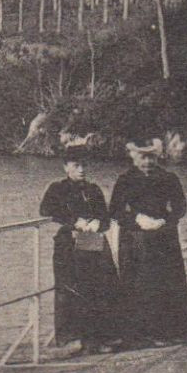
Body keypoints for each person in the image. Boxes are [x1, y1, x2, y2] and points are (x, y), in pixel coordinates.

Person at [109, 138, 187, 347]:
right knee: (139, 283)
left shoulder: (168, 178)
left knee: (165, 282)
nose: (147, 162)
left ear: (157, 158)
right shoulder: (125, 179)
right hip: (135, 238)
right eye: (143, 157)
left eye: (151, 157)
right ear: (134, 157)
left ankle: (168, 332)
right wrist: (137, 219)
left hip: (163, 236)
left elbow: (180, 206)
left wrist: (165, 220)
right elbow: (114, 210)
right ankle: (138, 335)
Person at [37, 146, 119, 354]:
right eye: (76, 165)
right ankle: (71, 339)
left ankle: (98, 338)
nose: (81, 169)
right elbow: (46, 210)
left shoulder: (93, 190)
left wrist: (98, 223)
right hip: (69, 244)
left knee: (100, 287)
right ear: (66, 167)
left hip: (93, 242)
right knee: (70, 289)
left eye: (84, 165)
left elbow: (106, 218)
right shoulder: (57, 188)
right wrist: (74, 221)